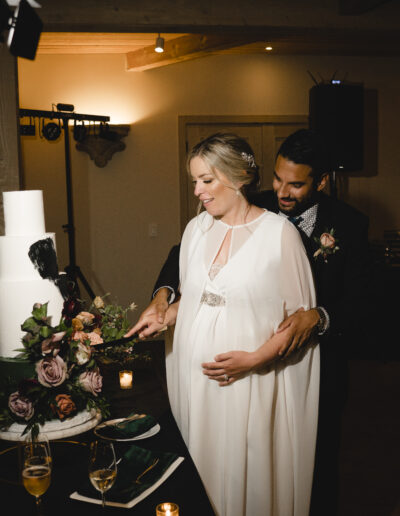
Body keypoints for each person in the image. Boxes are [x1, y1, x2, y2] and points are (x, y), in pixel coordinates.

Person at [127, 129, 370, 516]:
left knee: (299, 468)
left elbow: (358, 305)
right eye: (277, 179)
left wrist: (301, 328)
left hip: (282, 372)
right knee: (200, 475)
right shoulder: (205, 223)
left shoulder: (314, 229)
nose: (282, 191)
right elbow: (192, 275)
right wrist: (165, 305)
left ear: (321, 181)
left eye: (206, 181)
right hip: (196, 383)